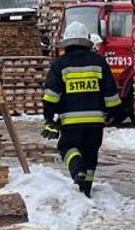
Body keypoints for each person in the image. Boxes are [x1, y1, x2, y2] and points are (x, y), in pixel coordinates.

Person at [40, 21, 120, 196]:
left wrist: (50, 119)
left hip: (70, 122)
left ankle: (77, 172)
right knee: (90, 154)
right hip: (95, 122)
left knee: (67, 147)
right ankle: (86, 190)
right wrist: (114, 114)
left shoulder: (60, 64)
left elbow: (51, 95)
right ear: (86, 41)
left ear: (67, 41)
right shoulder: (99, 62)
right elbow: (110, 93)